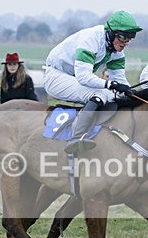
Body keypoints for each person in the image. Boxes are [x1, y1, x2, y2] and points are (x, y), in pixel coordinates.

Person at [44, 10, 142, 154]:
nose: (125, 43)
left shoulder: (117, 53)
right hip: (56, 76)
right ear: (111, 33)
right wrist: (110, 84)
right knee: (100, 93)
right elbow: (83, 76)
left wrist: (131, 92)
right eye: (122, 37)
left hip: (71, 77)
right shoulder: (91, 40)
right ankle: (76, 138)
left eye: (129, 38)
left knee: (112, 96)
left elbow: (119, 80)